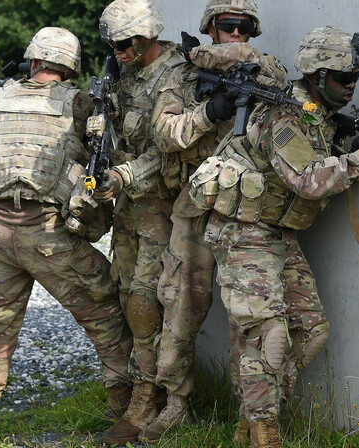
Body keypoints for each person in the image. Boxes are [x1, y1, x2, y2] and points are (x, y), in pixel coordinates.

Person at [189, 26, 359, 447]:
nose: (352, 85)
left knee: (310, 331)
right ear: (318, 76)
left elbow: (322, 151)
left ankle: (251, 421)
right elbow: (308, 181)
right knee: (265, 339)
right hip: (243, 233)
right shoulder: (285, 115)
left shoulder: (314, 114)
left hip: (274, 234)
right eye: (344, 78)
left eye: (355, 76)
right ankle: (266, 434)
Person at [0, 27, 133, 443]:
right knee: (103, 310)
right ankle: (121, 401)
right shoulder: (81, 103)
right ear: (69, 68)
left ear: (33, 61)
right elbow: (106, 153)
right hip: (51, 234)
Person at [139, 0, 279, 444]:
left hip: (246, 215)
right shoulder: (184, 74)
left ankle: (250, 415)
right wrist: (210, 111)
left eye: (244, 29)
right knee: (178, 309)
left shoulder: (267, 73)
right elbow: (164, 136)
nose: (236, 37)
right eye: (227, 27)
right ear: (210, 28)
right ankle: (175, 404)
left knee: (250, 319)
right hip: (195, 208)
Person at [93, 0, 188, 444]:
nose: (119, 52)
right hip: (130, 204)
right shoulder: (127, 74)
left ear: (146, 35)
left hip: (160, 204)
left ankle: (151, 399)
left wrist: (125, 174)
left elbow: (170, 147)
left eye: (125, 44)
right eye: (114, 46)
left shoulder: (175, 76)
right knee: (126, 291)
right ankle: (143, 386)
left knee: (147, 300)